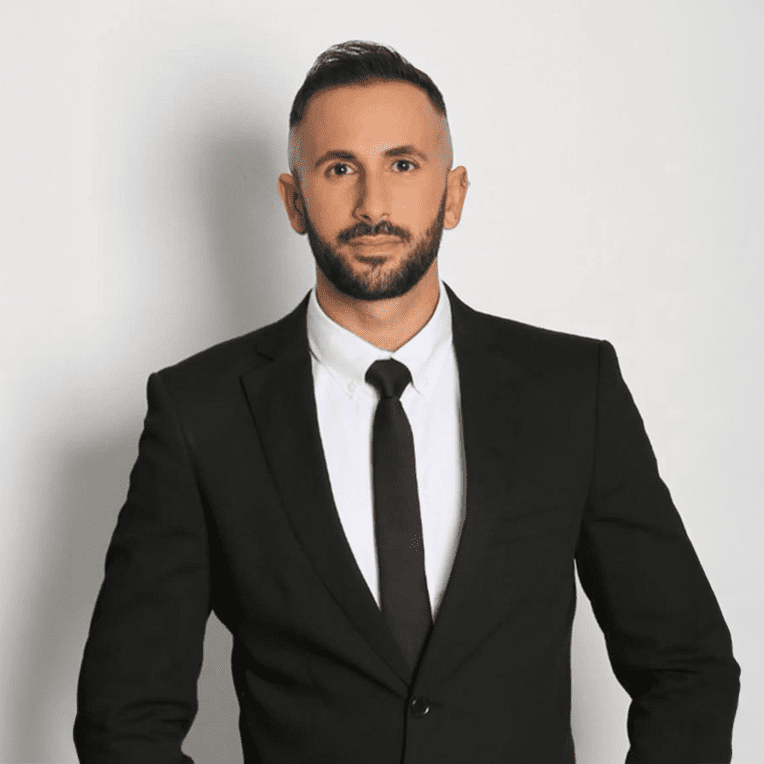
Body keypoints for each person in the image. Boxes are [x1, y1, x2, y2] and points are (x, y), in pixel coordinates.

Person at [74, 40, 740, 763]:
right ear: (294, 201)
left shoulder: (573, 391)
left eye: (402, 165)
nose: (373, 205)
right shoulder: (201, 412)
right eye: (339, 169)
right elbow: (125, 717)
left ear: (452, 195)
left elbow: (686, 667)